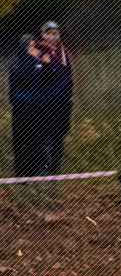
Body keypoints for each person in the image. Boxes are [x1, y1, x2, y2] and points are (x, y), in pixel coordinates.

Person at [8, 20, 74, 177]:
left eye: (55, 32)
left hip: (54, 102)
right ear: (42, 34)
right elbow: (21, 78)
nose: (52, 36)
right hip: (30, 105)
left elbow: (60, 77)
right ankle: (27, 173)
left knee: (54, 136)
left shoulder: (63, 53)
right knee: (28, 140)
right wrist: (37, 58)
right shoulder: (21, 61)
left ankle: (50, 171)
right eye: (48, 32)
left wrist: (46, 62)